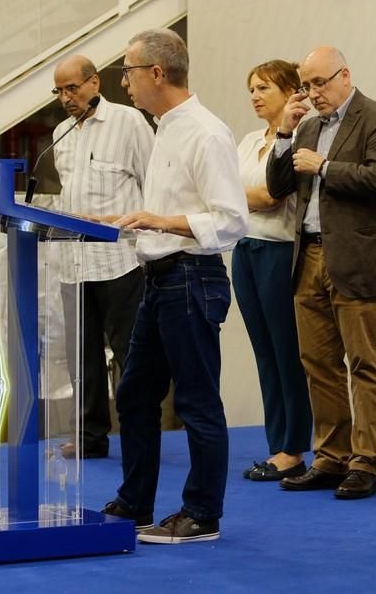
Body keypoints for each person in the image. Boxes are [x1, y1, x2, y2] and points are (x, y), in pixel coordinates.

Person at [100, 28, 248, 544]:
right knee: (136, 395)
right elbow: (167, 211)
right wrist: (127, 220)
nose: (124, 83)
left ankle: (202, 513)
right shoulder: (163, 127)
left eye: (128, 71)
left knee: (197, 402)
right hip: (160, 278)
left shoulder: (206, 132)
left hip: (191, 276)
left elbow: (230, 221)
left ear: (157, 74)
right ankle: (135, 501)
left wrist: (161, 222)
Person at [266, 46, 376, 500]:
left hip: (356, 256)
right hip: (307, 256)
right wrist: (285, 135)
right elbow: (277, 185)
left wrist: (324, 167)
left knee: (364, 362)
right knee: (318, 363)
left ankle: (365, 461)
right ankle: (330, 456)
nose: (314, 93)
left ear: (345, 75)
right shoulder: (306, 126)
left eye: (321, 83)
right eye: (307, 85)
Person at [50, 54, 154, 459]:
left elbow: (153, 182)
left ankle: (138, 436)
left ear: (95, 82)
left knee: (130, 355)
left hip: (120, 260)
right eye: (58, 91)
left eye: (71, 88)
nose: (65, 98)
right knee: (83, 360)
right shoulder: (61, 134)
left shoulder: (127, 122)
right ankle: (91, 437)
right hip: (72, 263)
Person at [232, 60, 313, 482]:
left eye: (264, 87)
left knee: (287, 352)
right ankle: (276, 443)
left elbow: (272, 196)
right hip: (244, 249)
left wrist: (245, 196)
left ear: (289, 91)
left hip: (279, 250)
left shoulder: (300, 136)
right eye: (251, 89)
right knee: (264, 352)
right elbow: (227, 193)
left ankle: (294, 446)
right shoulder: (247, 140)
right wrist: (248, 197)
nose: (255, 96)